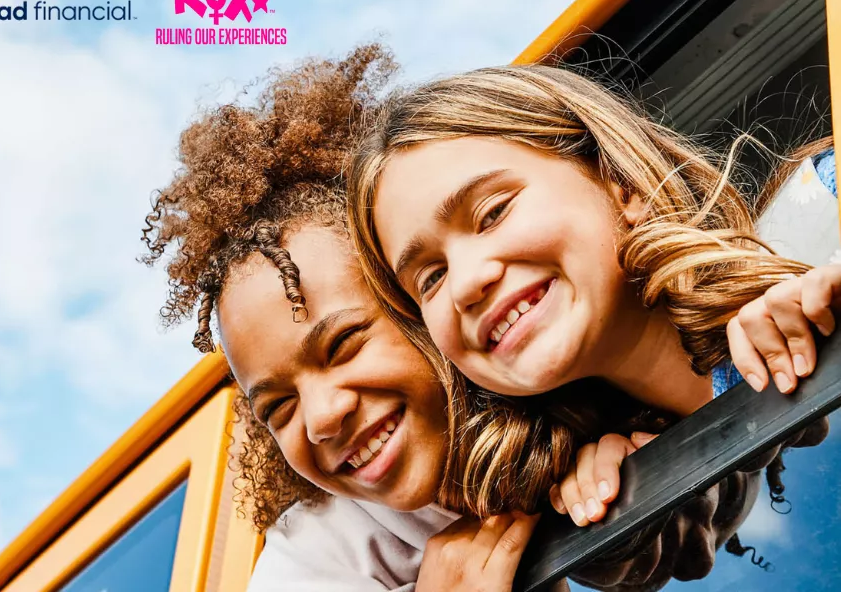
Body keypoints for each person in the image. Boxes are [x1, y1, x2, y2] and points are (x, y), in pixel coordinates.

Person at [140, 47, 811, 591]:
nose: (320, 417)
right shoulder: (325, 552)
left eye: (344, 343)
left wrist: (645, 494)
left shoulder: (578, 382)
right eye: (277, 409)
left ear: (416, 321)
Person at [347, 65, 837, 525]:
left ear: (621, 184)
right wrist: (639, 501)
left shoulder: (826, 205)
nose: (465, 284)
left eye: (493, 212)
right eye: (430, 278)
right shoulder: (607, 493)